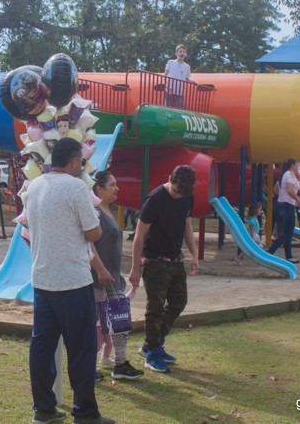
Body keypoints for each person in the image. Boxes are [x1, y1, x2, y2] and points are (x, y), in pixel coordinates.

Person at [25, 137, 115, 424]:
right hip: (73, 281)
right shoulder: (76, 187)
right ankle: (85, 412)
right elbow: (93, 233)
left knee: (42, 346)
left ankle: (44, 408)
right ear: (75, 161)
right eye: (82, 162)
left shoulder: (36, 185)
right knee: (81, 349)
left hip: (43, 279)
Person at [129, 164, 199, 373]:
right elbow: (139, 235)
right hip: (154, 261)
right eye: (176, 191)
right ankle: (153, 352)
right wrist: (135, 268)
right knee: (155, 307)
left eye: (182, 193)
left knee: (179, 302)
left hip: (176, 260)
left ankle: (153, 343)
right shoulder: (155, 200)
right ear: (170, 178)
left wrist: (194, 254)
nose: (178, 196)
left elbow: (187, 225)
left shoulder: (187, 197)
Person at [91, 170, 144, 380]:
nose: (117, 188)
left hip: (113, 279)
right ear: (99, 189)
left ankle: (120, 364)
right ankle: (89, 367)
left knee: (120, 321)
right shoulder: (94, 213)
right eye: (112, 185)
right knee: (95, 326)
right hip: (97, 280)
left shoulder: (109, 211)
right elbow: (88, 245)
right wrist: (100, 269)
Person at [267, 159, 300, 264]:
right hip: (287, 205)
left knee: (286, 232)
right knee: (287, 233)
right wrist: (299, 201)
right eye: (296, 165)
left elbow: (277, 189)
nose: (297, 167)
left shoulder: (284, 174)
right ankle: (270, 251)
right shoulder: (290, 175)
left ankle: (289, 256)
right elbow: (290, 190)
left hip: (280, 204)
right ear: (292, 165)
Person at [164, 44, 191, 109]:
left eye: (184, 52)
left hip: (180, 92)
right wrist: (166, 86)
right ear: (176, 53)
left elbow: (187, 79)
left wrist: (195, 82)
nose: (182, 53)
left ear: (186, 54)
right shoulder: (170, 62)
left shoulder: (187, 66)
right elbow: (165, 75)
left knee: (180, 110)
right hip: (170, 91)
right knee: (168, 109)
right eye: (180, 51)